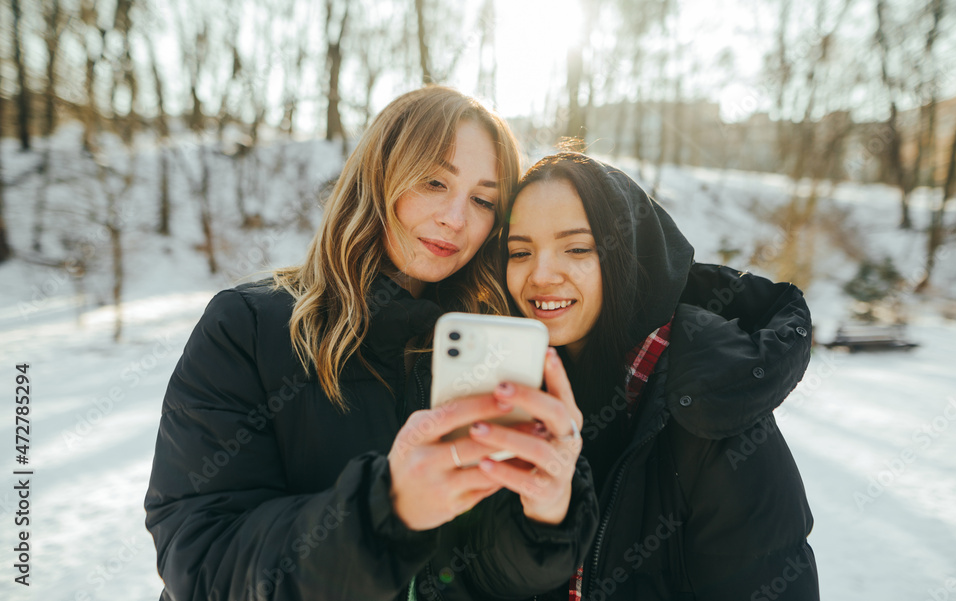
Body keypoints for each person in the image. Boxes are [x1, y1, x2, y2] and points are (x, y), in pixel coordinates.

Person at [144, 87, 599, 601]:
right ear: (380, 174)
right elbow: (200, 559)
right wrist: (385, 510)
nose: (456, 217)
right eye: (434, 181)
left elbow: (490, 576)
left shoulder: (493, 343)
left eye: (483, 200)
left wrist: (546, 513)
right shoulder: (250, 327)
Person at [501, 153, 819, 600]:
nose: (541, 274)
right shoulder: (512, 389)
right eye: (520, 251)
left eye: (576, 248)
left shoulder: (709, 400)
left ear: (626, 254)